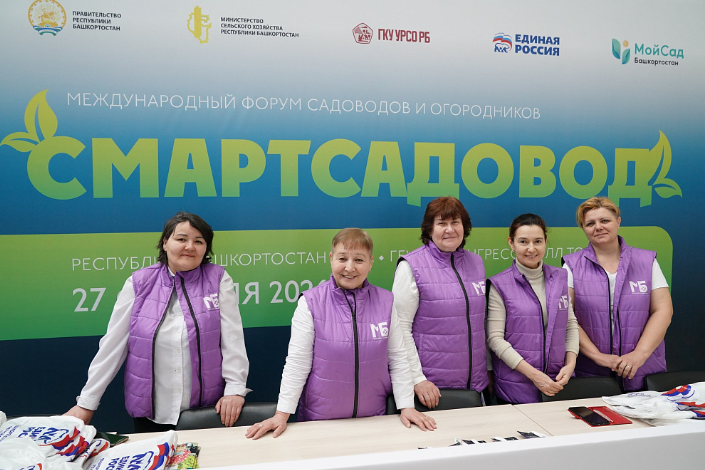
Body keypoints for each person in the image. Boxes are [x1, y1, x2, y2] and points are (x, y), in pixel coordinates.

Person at [65, 212, 250, 432]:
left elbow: (233, 340)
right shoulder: (139, 282)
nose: (190, 247)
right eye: (181, 239)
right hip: (152, 413)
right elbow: (112, 347)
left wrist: (235, 389)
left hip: (207, 410)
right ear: (164, 243)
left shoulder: (218, 279)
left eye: (199, 241)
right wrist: (86, 403)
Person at [245, 228, 436, 439]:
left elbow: (398, 359)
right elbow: (297, 364)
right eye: (342, 258)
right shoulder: (310, 303)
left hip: (375, 421)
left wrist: (407, 406)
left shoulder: (386, 302)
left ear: (371, 262)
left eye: (359, 260)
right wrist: (281, 415)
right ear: (331, 259)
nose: (349, 267)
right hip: (320, 424)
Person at [562, 197, 672, 391]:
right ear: (583, 228)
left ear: (618, 221)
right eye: (590, 223)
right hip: (591, 372)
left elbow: (663, 310)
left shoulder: (646, 261)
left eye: (605, 220)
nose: (598, 227)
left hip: (643, 369)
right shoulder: (571, 265)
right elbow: (565, 317)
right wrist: (598, 356)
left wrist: (638, 355)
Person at [392, 197, 488, 409]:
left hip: (475, 386)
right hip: (431, 390)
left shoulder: (476, 263)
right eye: (441, 223)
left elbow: (480, 324)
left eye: (455, 222)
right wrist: (417, 378)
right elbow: (399, 329)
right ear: (429, 229)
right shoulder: (410, 266)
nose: (449, 229)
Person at [486, 214, 579, 404]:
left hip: (558, 384)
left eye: (537, 241)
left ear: (545, 242)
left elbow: (570, 325)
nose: (531, 248)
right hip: (516, 389)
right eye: (523, 242)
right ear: (511, 243)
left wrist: (570, 364)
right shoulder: (499, 284)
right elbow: (495, 339)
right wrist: (534, 375)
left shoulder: (560, 277)